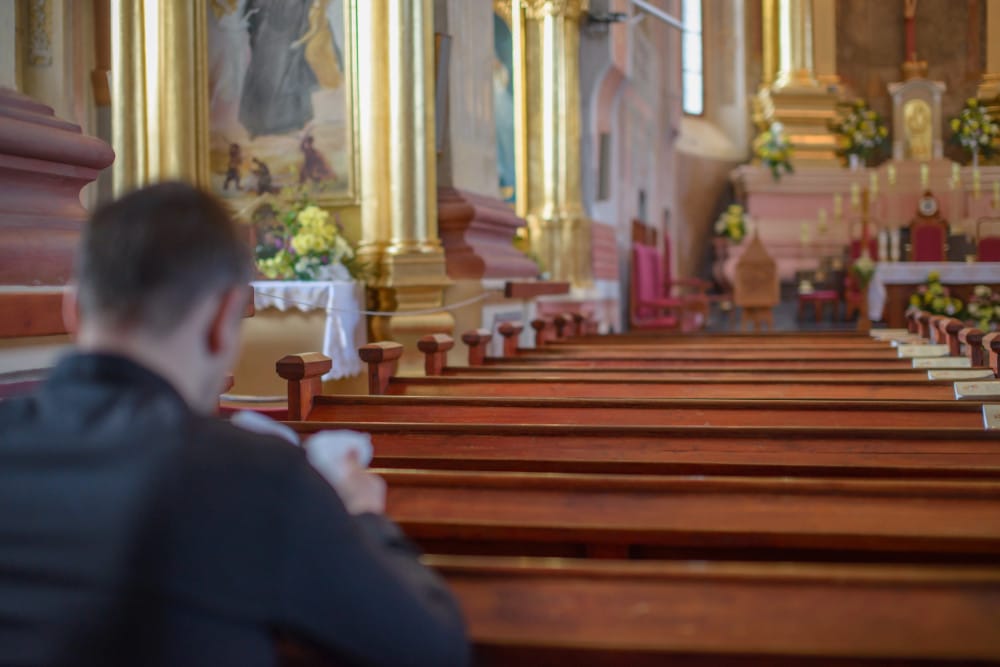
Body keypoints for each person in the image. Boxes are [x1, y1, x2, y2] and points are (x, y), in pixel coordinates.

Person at [0, 183, 469, 666]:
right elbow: (432, 649)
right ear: (225, 315)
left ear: (72, 308)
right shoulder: (257, 475)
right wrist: (364, 515)